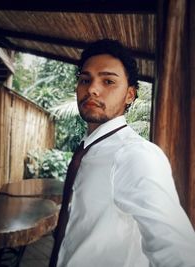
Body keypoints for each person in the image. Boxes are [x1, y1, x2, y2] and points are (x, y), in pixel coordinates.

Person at [56, 39, 195, 267]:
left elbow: (177, 252)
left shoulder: (135, 154)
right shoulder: (88, 149)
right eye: (85, 79)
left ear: (130, 95)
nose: (92, 88)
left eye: (108, 81)